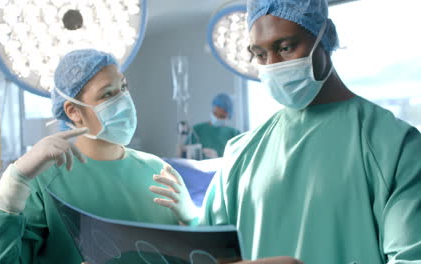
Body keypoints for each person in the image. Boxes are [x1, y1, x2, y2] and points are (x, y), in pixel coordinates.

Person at [151, 0, 421, 263]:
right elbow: (209, 254)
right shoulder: (240, 154)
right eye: (260, 54)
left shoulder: (395, 146)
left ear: (324, 35)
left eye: (286, 47)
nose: (273, 64)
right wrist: (189, 220)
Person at [0, 49, 178, 263]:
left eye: (123, 87)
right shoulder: (44, 182)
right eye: (107, 94)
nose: (123, 100)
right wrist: (13, 182)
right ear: (74, 111)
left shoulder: (157, 170)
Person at [186, 93, 241, 159]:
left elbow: (238, 160)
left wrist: (217, 159)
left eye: (222, 116)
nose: (217, 117)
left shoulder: (235, 134)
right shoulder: (197, 130)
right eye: (215, 114)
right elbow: (185, 154)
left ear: (229, 115)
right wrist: (182, 149)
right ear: (212, 110)